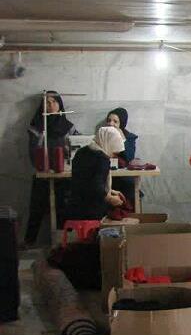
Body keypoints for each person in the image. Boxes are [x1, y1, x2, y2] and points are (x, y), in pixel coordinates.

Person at [23, 91, 80, 247]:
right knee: (37, 206)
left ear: (60, 104)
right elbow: (34, 152)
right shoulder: (37, 126)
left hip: (63, 174)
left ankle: (64, 242)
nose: (51, 105)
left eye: (54, 101)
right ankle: (29, 242)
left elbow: (77, 147)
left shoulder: (68, 127)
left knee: (65, 205)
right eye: (47, 102)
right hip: (43, 173)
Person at [65, 127, 126, 221]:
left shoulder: (81, 152)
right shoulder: (102, 159)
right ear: (108, 143)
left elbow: (85, 182)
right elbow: (96, 187)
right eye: (114, 152)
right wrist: (110, 198)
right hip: (90, 212)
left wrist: (110, 191)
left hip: (75, 207)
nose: (113, 155)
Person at [105, 108, 138, 206]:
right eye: (109, 120)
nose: (111, 124)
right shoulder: (102, 135)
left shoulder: (129, 137)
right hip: (105, 176)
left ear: (122, 124)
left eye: (115, 121)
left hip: (123, 177)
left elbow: (129, 157)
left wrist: (122, 138)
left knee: (128, 185)